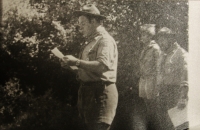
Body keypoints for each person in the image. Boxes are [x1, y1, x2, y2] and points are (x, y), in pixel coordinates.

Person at [60, 4, 118, 130]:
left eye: (83, 23)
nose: (80, 28)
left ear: (93, 21)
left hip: (100, 94)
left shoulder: (105, 40)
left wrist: (76, 62)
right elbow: (88, 70)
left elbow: (102, 66)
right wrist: (70, 66)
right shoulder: (91, 41)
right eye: (79, 24)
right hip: (88, 96)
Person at [155, 27, 188, 130]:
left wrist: (183, 97)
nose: (160, 43)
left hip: (176, 94)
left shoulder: (181, 54)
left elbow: (186, 76)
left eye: (163, 40)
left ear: (170, 39)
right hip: (163, 94)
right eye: (159, 40)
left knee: (178, 125)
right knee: (165, 125)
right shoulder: (163, 54)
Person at [132, 24, 162, 130]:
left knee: (152, 104)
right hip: (144, 79)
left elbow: (159, 66)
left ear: (149, 36)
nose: (141, 37)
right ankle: (150, 124)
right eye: (142, 35)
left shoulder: (155, 48)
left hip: (152, 80)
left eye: (144, 35)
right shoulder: (145, 48)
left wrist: (158, 83)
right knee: (146, 104)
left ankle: (155, 125)